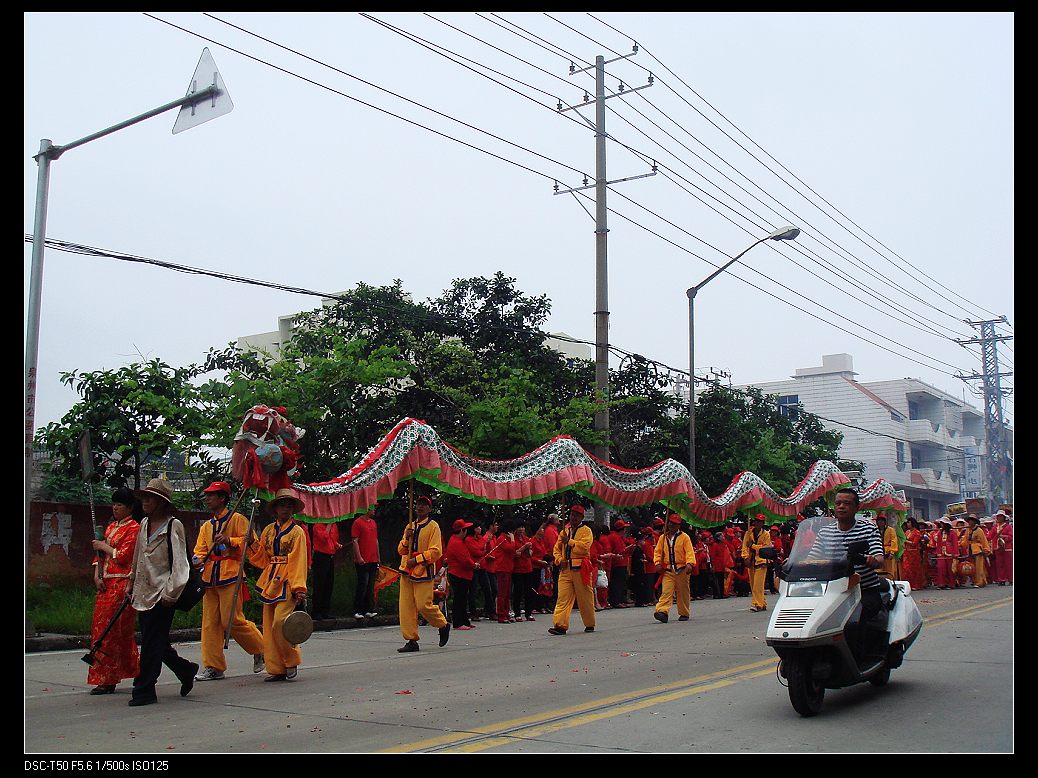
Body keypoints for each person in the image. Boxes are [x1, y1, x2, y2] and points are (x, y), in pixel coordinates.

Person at [126, 479, 198, 706]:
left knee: (151, 643)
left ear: (161, 502)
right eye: (144, 497)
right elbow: (138, 558)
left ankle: (144, 689)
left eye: (150, 498)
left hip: (163, 592)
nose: (145, 502)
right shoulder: (144, 524)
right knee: (155, 641)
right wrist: (131, 584)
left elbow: (180, 564)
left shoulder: (172, 525)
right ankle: (185, 669)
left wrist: (171, 593)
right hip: (143, 591)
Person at [192, 481, 265, 682]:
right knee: (209, 624)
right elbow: (200, 549)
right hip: (210, 577)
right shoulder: (207, 526)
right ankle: (213, 666)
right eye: (207, 495)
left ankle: (262, 648)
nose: (207, 498)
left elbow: (250, 542)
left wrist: (229, 541)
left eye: (212, 495)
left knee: (231, 619)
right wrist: (197, 559)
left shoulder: (238, 519)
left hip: (230, 574)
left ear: (222, 497)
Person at [247, 489, 309, 681]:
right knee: (268, 624)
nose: (285, 509)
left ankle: (291, 660)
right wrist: (250, 542)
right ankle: (276, 668)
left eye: (289, 505)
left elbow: (299, 560)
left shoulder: (297, 532)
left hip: (287, 580)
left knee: (279, 623)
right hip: (270, 579)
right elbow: (262, 557)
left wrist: (299, 587)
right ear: (275, 509)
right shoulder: (268, 531)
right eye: (282, 505)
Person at [86, 487, 141, 695]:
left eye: (120, 505)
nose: (116, 508)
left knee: (113, 632)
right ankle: (115, 673)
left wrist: (104, 546)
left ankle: (110, 677)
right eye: (114, 504)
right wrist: (96, 574)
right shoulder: (109, 528)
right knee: (101, 629)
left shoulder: (134, 529)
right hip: (105, 582)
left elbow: (124, 556)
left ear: (129, 508)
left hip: (121, 583)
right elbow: (99, 556)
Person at [808, 488, 887, 624]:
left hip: (863, 590)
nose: (841, 507)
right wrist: (793, 563)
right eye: (838, 503)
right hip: (831, 591)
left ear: (857, 507)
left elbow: (879, 557)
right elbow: (812, 558)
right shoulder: (825, 532)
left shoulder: (868, 529)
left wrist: (873, 561)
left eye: (846, 503)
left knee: (858, 622)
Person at [395, 495, 450, 652]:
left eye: (424, 505)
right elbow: (401, 550)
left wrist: (417, 559)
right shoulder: (410, 526)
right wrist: (406, 538)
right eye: (419, 504)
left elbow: (436, 551)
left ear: (430, 509)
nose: (420, 507)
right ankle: (411, 639)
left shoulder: (433, 527)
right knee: (406, 606)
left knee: (423, 605)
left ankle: (443, 624)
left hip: (423, 571)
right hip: (406, 570)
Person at [548, 505, 596, 635]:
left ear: (581, 517)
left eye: (576, 515)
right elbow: (556, 550)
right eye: (572, 514)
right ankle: (560, 625)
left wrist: (569, 542)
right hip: (566, 569)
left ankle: (589, 623)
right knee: (563, 598)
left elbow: (584, 548)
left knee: (585, 598)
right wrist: (559, 560)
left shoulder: (586, 531)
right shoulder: (564, 531)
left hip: (581, 569)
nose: (573, 517)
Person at [653, 514, 695, 623]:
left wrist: (690, 563)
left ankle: (684, 613)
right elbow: (658, 552)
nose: (671, 525)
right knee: (666, 591)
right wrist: (657, 563)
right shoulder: (663, 538)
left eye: (674, 523)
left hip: (682, 569)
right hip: (668, 570)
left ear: (679, 525)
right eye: (670, 522)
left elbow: (690, 552)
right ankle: (662, 611)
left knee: (683, 592)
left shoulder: (685, 537)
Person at [444, 519, 476, 629]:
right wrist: (474, 565)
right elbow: (465, 560)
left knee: (462, 598)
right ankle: (458, 622)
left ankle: (464, 621)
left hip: (461, 573)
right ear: (462, 530)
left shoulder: (455, 541)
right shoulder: (456, 543)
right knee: (459, 599)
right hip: (459, 574)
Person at [350, 509, 380, 619]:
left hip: (373, 558)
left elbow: (375, 540)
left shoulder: (373, 523)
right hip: (363, 558)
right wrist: (359, 557)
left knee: (370, 585)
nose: (374, 510)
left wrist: (378, 557)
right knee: (363, 583)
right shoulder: (358, 522)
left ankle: (369, 609)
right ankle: (358, 610)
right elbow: (355, 541)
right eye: (372, 508)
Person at [742, 515, 771, 612]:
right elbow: (744, 546)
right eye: (757, 521)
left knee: (757, 585)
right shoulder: (748, 533)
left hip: (761, 560)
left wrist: (753, 546)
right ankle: (762, 602)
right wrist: (745, 557)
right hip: (751, 560)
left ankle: (756, 604)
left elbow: (765, 548)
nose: (758, 523)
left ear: (763, 523)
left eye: (760, 521)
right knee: (753, 584)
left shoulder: (766, 534)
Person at [511, 522, 535, 621]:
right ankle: (517, 613)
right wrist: (524, 547)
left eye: (522, 527)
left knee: (528, 591)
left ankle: (528, 613)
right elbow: (515, 553)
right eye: (519, 527)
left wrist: (528, 549)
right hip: (517, 569)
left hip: (528, 568)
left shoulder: (526, 538)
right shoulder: (513, 539)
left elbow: (530, 554)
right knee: (518, 591)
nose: (521, 529)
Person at [962, 515, 992, 587]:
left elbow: (983, 540)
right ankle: (978, 581)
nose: (970, 522)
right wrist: (960, 544)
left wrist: (986, 549)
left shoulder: (979, 530)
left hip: (978, 550)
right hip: (970, 549)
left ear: (974, 522)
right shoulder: (968, 530)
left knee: (979, 567)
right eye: (969, 521)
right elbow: (965, 540)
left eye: (971, 521)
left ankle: (979, 582)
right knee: (973, 566)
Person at [607, 520, 632, 608]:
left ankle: (618, 600)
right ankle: (616, 601)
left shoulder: (616, 536)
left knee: (618, 583)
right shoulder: (616, 537)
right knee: (618, 583)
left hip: (618, 563)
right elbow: (620, 550)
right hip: (619, 563)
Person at [899, 517, 927, 590]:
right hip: (906, 553)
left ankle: (916, 585)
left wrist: (905, 541)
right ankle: (908, 584)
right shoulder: (907, 532)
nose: (908, 524)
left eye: (909, 522)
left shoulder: (917, 532)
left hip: (914, 553)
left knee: (914, 569)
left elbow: (914, 543)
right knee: (906, 569)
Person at [934, 519, 959, 589]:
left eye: (942, 523)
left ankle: (951, 584)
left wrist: (955, 553)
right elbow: (938, 543)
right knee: (941, 568)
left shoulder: (952, 533)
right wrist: (937, 552)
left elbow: (955, 543)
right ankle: (942, 584)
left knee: (950, 569)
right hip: (941, 553)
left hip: (950, 553)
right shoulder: (939, 533)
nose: (941, 525)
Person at [708, 531, 733, 599]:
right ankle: (717, 594)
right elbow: (713, 556)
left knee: (721, 579)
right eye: (722, 536)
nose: (723, 537)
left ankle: (722, 593)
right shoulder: (715, 545)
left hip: (722, 565)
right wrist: (713, 566)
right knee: (718, 580)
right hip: (717, 565)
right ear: (718, 538)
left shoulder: (723, 544)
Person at [990, 511, 1013, 585]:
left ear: (1004, 518)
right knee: (999, 564)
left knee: (1009, 564)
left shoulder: (1008, 527)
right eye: (998, 516)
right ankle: (1001, 579)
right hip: (998, 547)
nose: (999, 518)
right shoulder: (995, 527)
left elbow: (1011, 536)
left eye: (1000, 516)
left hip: (1007, 547)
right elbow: (989, 536)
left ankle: (1011, 579)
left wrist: (1003, 537)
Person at [876, 514, 899, 580]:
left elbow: (894, 541)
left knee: (889, 570)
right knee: (879, 570)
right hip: (878, 552)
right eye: (879, 521)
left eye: (882, 521)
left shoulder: (890, 530)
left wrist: (892, 552)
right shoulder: (875, 530)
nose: (880, 522)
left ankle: (891, 582)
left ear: (885, 522)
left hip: (888, 552)